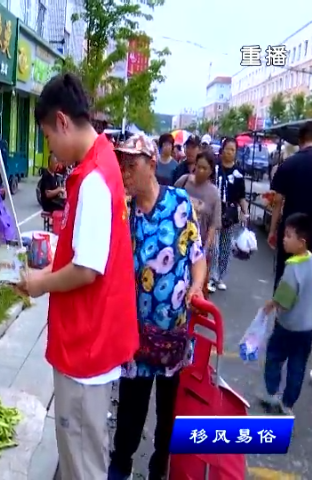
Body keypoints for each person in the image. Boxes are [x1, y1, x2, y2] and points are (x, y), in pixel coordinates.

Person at [19, 73, 139, 480]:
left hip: (86, 346)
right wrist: (53, 262)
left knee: (82, 464)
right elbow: (88, 251)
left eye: (48, 136)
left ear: (63, 121)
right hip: (97, 339)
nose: (50, 147)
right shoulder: (102, 163)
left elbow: (87, 269)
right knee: (85, 456)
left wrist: (39, 283)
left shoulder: (92, 180)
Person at [109, 134, 206, 480]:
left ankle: (158, 471)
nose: (125, 172)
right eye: (122, 165)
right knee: (129, 417)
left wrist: (196, 286)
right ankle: (121, 464)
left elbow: (197, 256)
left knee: (169, 417)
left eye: (131, 165)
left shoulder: (180, 203)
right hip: (135, 339)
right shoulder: (124, 211)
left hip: (174, 336)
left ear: (152, 165)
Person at [261, 213, 312, 415]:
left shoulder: (291, 269)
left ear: (301, 242)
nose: (284, 238)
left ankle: (272, 394)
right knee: (297, 366)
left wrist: (271, 305)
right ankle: (288, 403)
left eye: (288, 236)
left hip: (287, 327)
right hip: (306, 329)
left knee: (274, 356)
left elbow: (284, 303)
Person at [268, 121, 312, 290]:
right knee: (306, 281)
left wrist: (273, 230)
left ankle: (281, 315)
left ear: (300, 140)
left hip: (289, 234)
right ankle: (302, 315)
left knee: (284, 278)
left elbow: (277, 202)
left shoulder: (287, 164)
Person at [208, 137, 249, 293]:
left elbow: (241, 196)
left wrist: (246, 212)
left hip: (230, 215)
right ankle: (211, 276)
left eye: (233, 150)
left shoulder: (239, 173)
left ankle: (220, 277)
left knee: (225, 247)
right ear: (222, 149)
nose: (230, 152)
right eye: (227, 149)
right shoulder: (215, 167)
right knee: (214, 247)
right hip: (214, 213)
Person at [175, 150, 222, 259]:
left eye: (204, 168)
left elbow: (213, 226)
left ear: (211, 171)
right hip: (177, 241)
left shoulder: (214, 194)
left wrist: (204, 250)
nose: (200, 171)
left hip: (198, 246)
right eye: (199, 166)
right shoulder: (184, 182)